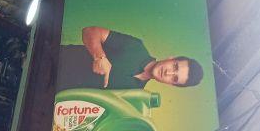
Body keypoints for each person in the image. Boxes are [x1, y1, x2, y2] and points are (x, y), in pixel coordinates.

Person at [57, 26, 204, 91]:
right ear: (171, 58)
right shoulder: (136, 47)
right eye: (175, 67)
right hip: (55, 59)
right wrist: (99, 57)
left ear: (171, 84)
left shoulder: (134, 93)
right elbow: (90, 31)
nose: (168, 73)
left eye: (174, 78)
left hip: (53, 93)